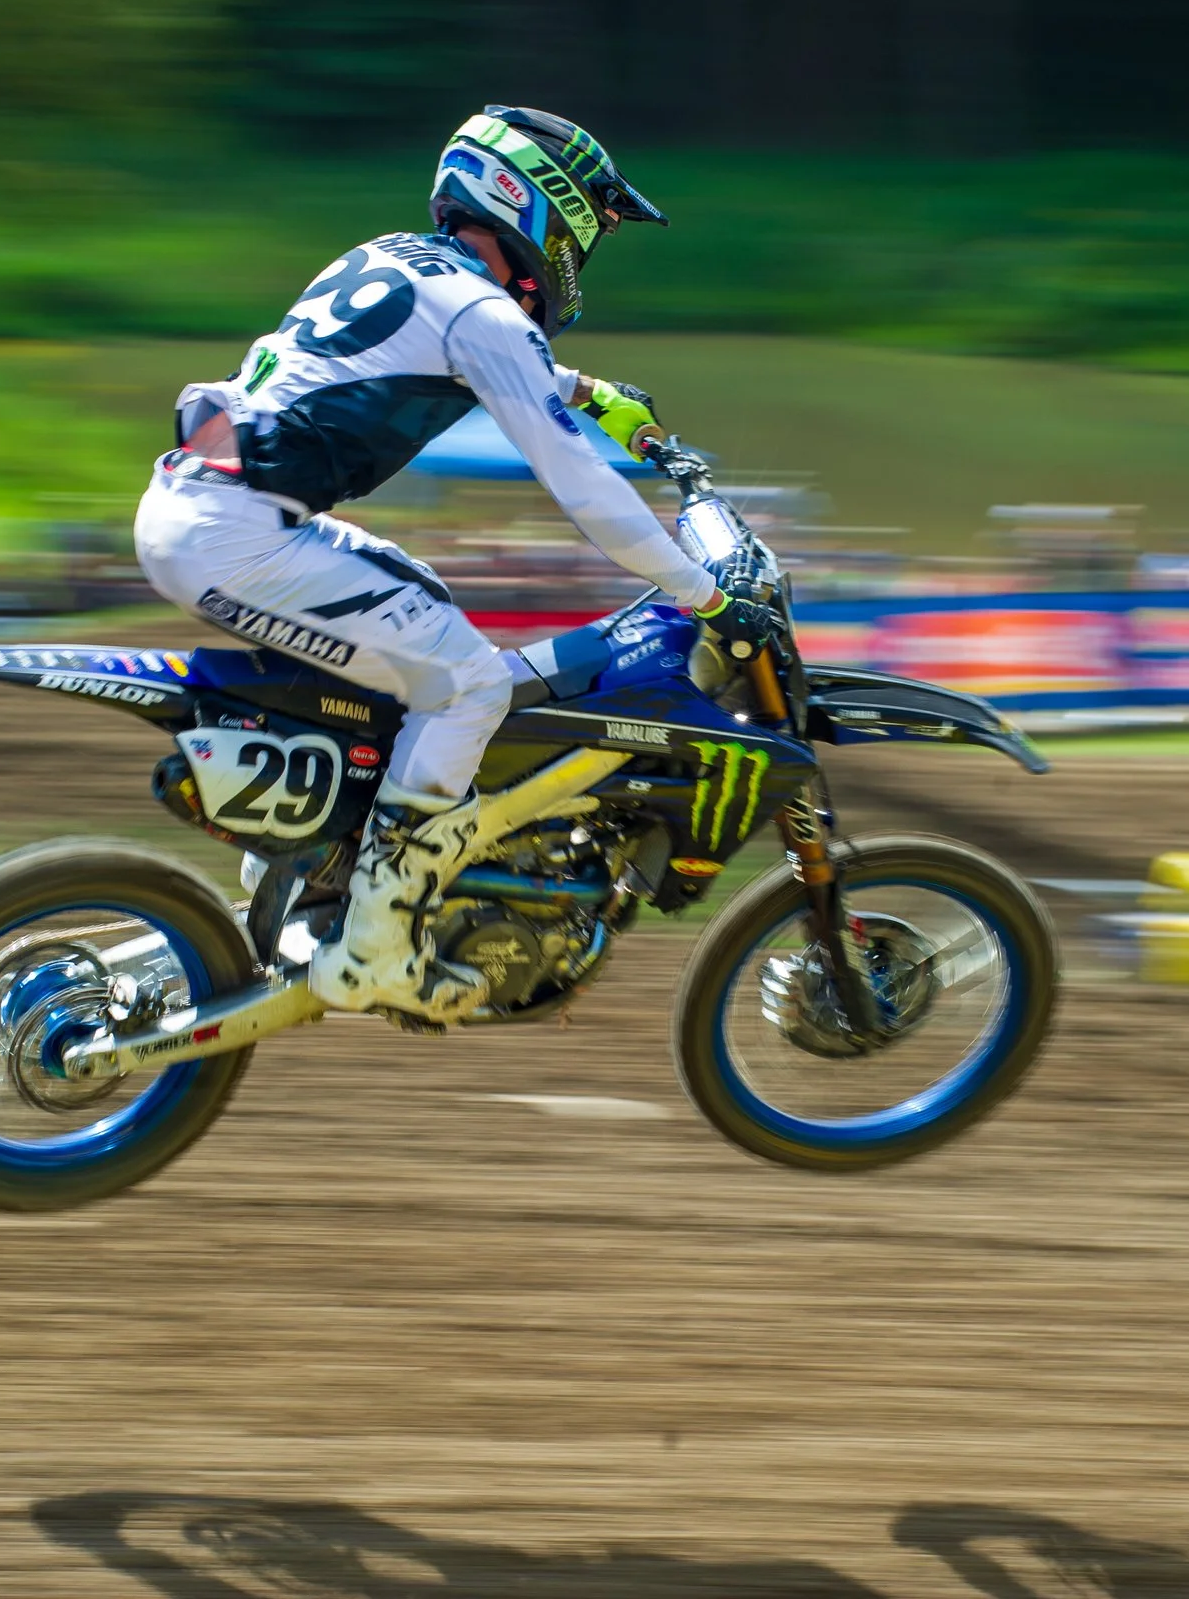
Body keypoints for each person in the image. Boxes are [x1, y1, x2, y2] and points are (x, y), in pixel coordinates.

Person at [134, 104, 778, 1023]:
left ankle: (310, 866)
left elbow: (434, 358)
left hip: (196, 507)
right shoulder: (483, 312)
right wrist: (704, 595)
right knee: (471, 685)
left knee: (423, 612)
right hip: (241, 536)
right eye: (587, 231)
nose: (581, 257)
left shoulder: (390, 258)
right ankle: (378, 945)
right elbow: (584, 488)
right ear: (539, 206)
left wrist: (588, 392)